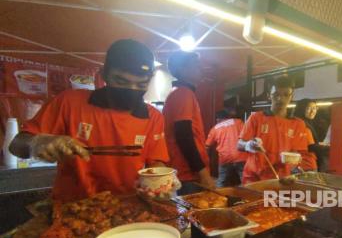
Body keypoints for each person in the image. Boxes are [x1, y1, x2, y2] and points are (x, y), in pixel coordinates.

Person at [9, 39, 170, 202]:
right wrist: (37, 143)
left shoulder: (153, 117)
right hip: (72, 207)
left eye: (141, 84)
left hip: (126, 207)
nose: (132, 90)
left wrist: (162, 180)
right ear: (104, 74)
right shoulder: (69, 102)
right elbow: (16, 145)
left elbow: (155, 163)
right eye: (121, 81)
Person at [238, 76, 314, 184]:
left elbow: (299, 153)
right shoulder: (256, 118)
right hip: (254, 178)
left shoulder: (298, 124)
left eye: (286, 95)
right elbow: (239, 144)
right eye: (276, 94)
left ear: (291, 96)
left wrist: (296, 164)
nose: (280, 99)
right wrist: (248, 145)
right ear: (269, 96)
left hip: (282, 180)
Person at [163, 51, 215, 193]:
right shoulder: (182, 93)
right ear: (182, 69)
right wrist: (203, 173)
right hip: (187, 175)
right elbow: (183, 135)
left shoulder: (180, 92)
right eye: (196, 65)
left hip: (185, 173)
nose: (201, 69)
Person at [206, 110, 247, 187]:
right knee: (245, 180)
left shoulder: (215, 128)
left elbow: (207, 145)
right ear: (228, 117)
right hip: (241, 156)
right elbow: (247, 135)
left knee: (221, 181)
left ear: (218, 119)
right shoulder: (238, 122)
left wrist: (206, 161)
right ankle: (246, 197)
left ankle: (219, 197)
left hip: (225, 158)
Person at [293, 99, 330, 171]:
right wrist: (329, 148)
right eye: (309, 108)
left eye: (315, 108)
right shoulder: (301, 124)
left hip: (301, 164)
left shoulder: (308, 123)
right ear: (302, 109)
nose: (313, 111)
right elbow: (310, 147)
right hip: (305, 165)